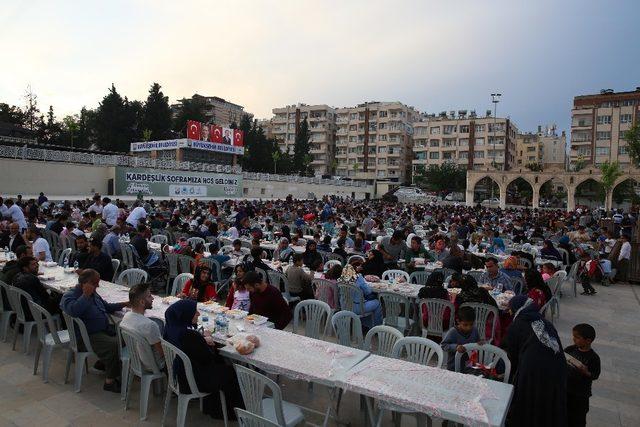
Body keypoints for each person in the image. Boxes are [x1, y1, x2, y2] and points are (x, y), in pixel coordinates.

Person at [163, 299, 244, 420]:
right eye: (195, 312)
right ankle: (227, 413)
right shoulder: (188, 336)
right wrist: (207, 341)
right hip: (191, 380)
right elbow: (207, 358)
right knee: (232, 371)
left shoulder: (171, 328)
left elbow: (192, 346)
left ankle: (211, 407)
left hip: (179, 373)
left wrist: (201, 338)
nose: (198, 314)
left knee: (221, 364)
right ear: (186, 314)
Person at [60, 269, 128, 393]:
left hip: (102, 329)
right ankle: (110, 381)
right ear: (85, 283)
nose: (97, 285)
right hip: (87, 335)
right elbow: (73, 311)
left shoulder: (93, 293)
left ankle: (104, 361)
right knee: (114, 344)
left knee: (127, 335)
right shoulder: (70, 295)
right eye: (95, 283)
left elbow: (106, 306)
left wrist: (126, 303)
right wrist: (85, 296)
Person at [504, 295, 567, 427]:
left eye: (510, 309)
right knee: (550, 400)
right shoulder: (546, 322)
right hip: (558, 367)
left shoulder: (516, 326)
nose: (509, 312)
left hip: (533, 370)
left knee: (531, 400)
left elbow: (512, 358)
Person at [119, 282, 165, 370]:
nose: (152, 298)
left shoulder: (126, 316)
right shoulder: (150, 325)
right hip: (151, 365)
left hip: (136, 359)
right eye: (149, 296)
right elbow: (162, 352)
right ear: (142, 302)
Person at [565, 324, 601, 427]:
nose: (574, 339)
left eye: (577, 337)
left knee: (577, 420)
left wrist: (586, 372)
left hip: (580, 395)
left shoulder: (594, 358)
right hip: (566, 390)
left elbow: (595, 375)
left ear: (588, 341)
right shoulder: (570, 350)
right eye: (573, 336)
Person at [440, 306, 481, 371]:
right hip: (453, 366)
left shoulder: (475, 330)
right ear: (458, 321)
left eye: (471, 324)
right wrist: (456, 347)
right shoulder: (453, 332)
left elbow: (477, 343)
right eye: (465, 325)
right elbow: (443, 345)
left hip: (470, 366)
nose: (468, 328)